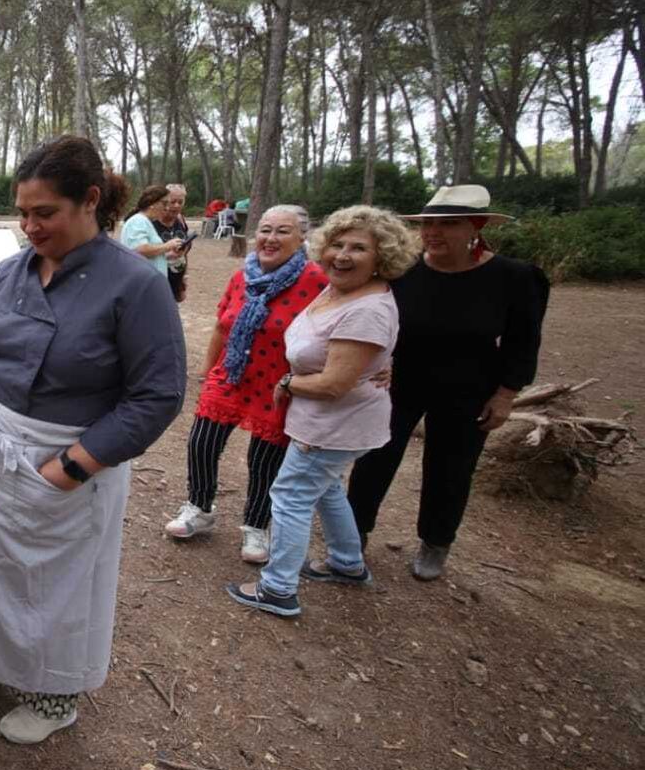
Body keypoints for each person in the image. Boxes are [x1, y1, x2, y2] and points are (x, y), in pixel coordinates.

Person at [0, 135, 186, 744]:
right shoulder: (10, 271)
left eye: (44, 213)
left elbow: (157, 396)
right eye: (23, 213)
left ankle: (54, 693)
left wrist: (75, 464)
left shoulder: (134, 284)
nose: (29, 227)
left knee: (54, 579)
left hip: (67, 457)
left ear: (90, 200)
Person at [346, 185, 550, 581]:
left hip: (469, 386)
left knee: (452, 468)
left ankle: (436, 541)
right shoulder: (403, 270)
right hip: (398, 381)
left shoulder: (514, 277)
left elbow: (524, 341)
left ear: (476, 226)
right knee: (374, 457)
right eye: (428, 224)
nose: (433, 233)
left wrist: (506, 394)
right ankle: (354, 532)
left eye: (449, 224)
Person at [226, 206, 417, 618]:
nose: (343, 255)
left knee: (290, 496)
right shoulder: (341, 290)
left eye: (359, 248)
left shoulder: (366, 309)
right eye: (337, 244)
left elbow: (333, 384)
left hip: (333, 425)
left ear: (382, 256)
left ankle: (278, 589)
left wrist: (287, 383)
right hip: (329, 423)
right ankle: (347, 562)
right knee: (326, 489)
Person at [164, 205, 327, 563]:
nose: (270, 238)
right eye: (265, 230)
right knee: (202, 442)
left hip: (278, 381)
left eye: (282, 231)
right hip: (231, 372)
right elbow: (222, 326)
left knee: (264, 459)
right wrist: (208, 371)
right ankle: (199, 507)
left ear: (302, 237)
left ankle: (256, 525)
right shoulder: (243, 275)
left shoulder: (317, 281)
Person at [119, 185, 185, 277]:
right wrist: (167, 246)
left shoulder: (145, 221)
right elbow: (139, 250)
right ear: (152, 204)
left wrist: (168, 255)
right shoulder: (138, 221)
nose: (167, 208)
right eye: (164, 203)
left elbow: (147, 257)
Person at [154, 184, 192, 302]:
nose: (176, 205)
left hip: (176, 278)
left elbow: (184, 253)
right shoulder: (151, 222)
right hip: (156, 279)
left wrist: (184, 279)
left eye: (180, 202)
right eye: (173, 201)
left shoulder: (180, 219)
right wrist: (166, 254)